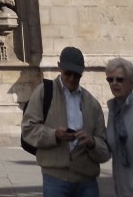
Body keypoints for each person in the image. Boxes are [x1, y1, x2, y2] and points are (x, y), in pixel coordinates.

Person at [21, 46, 111, 197]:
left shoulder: (92, 104)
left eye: (77, 75)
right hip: (55, 178)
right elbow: (28, 130)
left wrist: (92, 142)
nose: (72, 79)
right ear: (59, 67)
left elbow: (105, 151)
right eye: (68, 73)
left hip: (87, 180)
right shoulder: (44, 92)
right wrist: (54, 135)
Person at [105, 57, 133, 197]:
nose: (114, 83)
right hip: (121, 190)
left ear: (131, 82)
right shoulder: (114, 113)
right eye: (110, 79)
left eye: (119, 79)